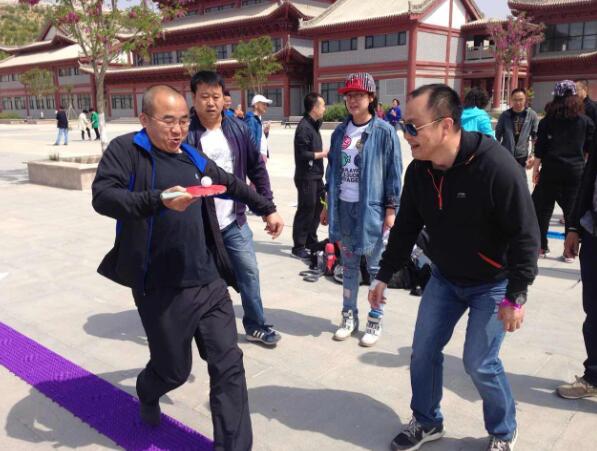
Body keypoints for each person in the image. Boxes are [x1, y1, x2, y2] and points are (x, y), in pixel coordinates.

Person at [92, 84, 283, 450]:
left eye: (183, 120)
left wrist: (267, 208)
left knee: (229, 365)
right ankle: (148, 390)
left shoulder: (192, 157)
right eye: (168, 121)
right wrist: (158, 200)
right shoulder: (126, 150)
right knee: (173, 370)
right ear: (145, 119)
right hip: (160, 286)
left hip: (207, 279)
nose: (178, 129)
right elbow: (104, 197)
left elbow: (229, 183)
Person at [369, 84, 539, 451]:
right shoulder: (419, 171)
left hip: (492, 283)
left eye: (413, 126)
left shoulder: (496, 167)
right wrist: (383, 274)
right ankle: (427, 421)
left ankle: (503, 431)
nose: (405, 134)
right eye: (403, 125)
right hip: (445, 278)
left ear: (445, 126)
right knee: (422, 352)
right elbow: (406, 228)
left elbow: (526, 234)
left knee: (479, 362)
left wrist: (516, 295)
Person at [187, 71, 283, 346]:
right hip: (198, 226)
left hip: (233, 221)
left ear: (224, 98)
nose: (210, 102)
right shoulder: (185, 134)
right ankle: (201, 328)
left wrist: (269, 208)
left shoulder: (238, 129)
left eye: (215, 96)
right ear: (193, 98)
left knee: (249, 272)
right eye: (204, 96)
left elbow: (256, 169)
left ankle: (256, 324)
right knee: (202, 281)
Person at [321, 72, 402, 347]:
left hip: (372, 211)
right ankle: (348, 316)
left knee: (376, 267)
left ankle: (375, 319)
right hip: (343, 208)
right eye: (349, 96)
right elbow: (332, 170)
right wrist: (326, 205)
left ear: (371, 97)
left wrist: (391, 209)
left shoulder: (384, 132)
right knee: (348, 265)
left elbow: (394, 173)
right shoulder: (339, 132)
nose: (353, 100)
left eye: (358, 95)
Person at [532, 80, 594, 260]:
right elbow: (590, 149)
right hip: (575, 171)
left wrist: (536, 170)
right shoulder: (585, 121)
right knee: (571, 211)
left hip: (551, 169)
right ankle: (569, 252)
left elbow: (540, 149)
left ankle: (541, 246)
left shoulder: (547, 121)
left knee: (542, 209)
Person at [557, 137, 597, 399]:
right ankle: (594, 376)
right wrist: (574, 227)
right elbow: (588, 179)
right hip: (593, 232)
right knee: (594, 310)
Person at [291, 92, 328, 259]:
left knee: (318, 207)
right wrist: (323, 154)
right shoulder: (304, 128)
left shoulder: (313, 124)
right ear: (314, 108)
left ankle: (310, 240)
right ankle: (298, 246)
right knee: (306, 209)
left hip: (316, 176)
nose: (325, 108)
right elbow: (302, 154)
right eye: (322, 105)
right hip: (306, 177)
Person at [495, 88, 539, 168]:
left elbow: (535, 137)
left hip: (522, 156)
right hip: (506, 153)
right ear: (511, 100)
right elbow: (497, 135)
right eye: (515, 100)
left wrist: (532, 154)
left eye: (521, 100)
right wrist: (497, 152)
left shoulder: (531, 115)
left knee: (520, 175)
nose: (518, 102)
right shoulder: (505, 115)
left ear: (525, 99)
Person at [245, 94, 272, 163]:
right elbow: (251, 142)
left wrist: (265, 132)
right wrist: (255, 159)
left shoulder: (257, 118)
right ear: (256, 105)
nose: (266, 107)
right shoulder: (251, 120)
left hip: (261, 155)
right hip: (257, 157)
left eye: (266, 105)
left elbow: (259, 137)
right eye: (263, 104)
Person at [576, 79, 597, 156]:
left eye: (577, 90)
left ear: (584, 89)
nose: (575, 93)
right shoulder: (575, 107)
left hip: (589, 146)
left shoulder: (592, 106)